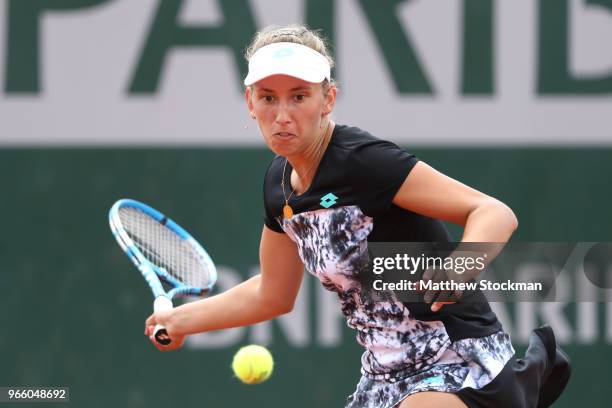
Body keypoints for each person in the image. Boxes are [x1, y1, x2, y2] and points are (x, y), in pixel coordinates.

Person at [145, 24, 570, 408]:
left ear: (327, 98)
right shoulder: (278, 184)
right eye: (268, 98)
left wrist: (458, 267)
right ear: (249, 103)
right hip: (382, 378)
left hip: (458, 361)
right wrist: (182, 321)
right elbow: (272, 293)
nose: (282, 115)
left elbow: (493, 213)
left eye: (299, 96)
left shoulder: (364, 162)